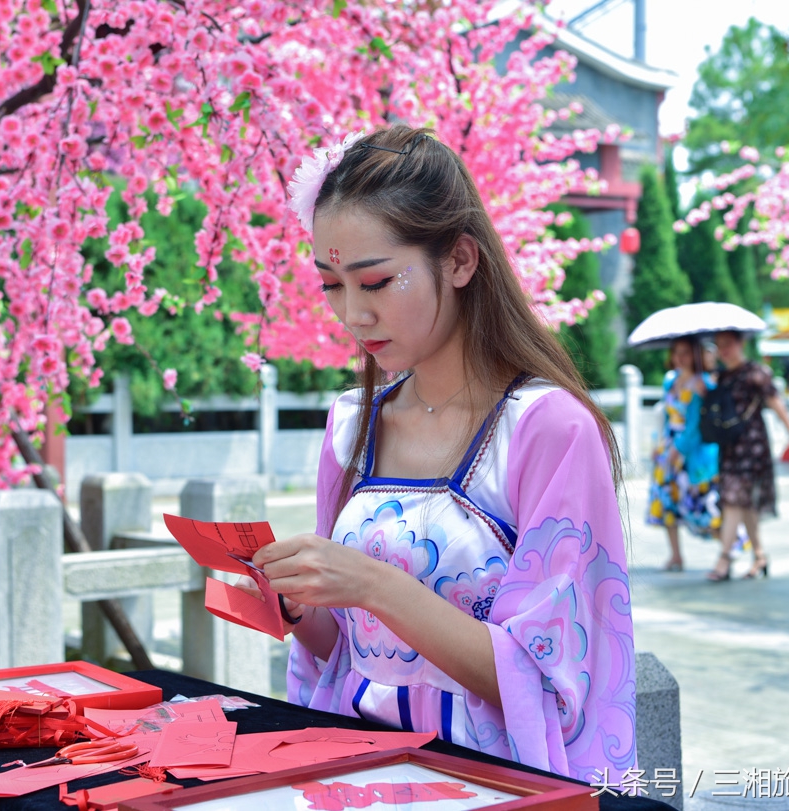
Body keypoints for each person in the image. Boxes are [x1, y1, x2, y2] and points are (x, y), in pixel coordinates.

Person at [247, 126, 636, 782]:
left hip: (489, 778)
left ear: (459, 260)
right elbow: (343, 645)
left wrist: (373, 583)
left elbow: (548, 676)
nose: (353, 314)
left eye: (375, 281)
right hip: (356, 768)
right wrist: (297, 602)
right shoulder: (351, 423)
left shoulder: (548, 429)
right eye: (331, 286)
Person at [706, 331, 789, 581]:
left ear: (741, 343)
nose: (724, 350)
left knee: (734, 499)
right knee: (744, 503)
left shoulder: (756, 372)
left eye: (728, 344)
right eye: (720, 346)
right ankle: (760, 555)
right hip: (729, 447)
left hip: (753, 447)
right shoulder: (719, 377)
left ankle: (724, 559)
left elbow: (775, 403)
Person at [647, 337, 723, 570]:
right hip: (668, 447)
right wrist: (657, 443)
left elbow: (698, 424)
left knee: (702, 504)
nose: (680, 357)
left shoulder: (703, 383)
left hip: (692, 452)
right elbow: (665, 415)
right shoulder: (671, 380)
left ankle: (729, 548)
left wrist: (678, 450)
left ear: (696, 355)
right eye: (676, 352)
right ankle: (676, 555)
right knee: (666, 499)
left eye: (686, 353)